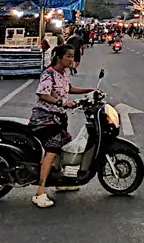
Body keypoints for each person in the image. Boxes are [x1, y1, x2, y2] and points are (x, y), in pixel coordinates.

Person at [28, 44, 98, 209]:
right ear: (59, 57)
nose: (72, 60)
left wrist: (90, 90)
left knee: (64, 143)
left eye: (73, 56)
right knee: (52, 150)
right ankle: (40, 192)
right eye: (69, 56)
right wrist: (61, 103)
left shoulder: (63, 74)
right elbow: (43, 94)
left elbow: (69, 89)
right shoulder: (49, 74)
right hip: (44, 119)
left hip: (58, 119)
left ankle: (61, 181)